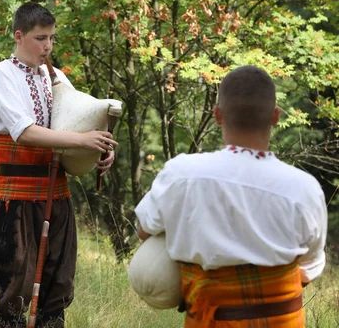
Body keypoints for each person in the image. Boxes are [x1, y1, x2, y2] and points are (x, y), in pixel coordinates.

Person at [134, 65, 327, 327]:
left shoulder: (181, 174)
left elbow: (144, 231)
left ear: (217, 115)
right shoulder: (304, 188)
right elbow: (309, 269)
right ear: (275, 117)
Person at [0, 2, 118, 328]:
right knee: (15, 298)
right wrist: (83, 141)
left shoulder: (57, 77)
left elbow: (78, 129)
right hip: (16, 205)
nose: (48, 46)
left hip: (57, 200)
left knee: (56, 296)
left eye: (52, 38)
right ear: (19, 36)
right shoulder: (3, 74)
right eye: (40, 38)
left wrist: (99, 148)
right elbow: (24, 132)